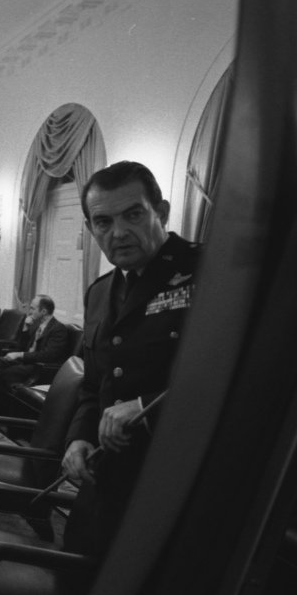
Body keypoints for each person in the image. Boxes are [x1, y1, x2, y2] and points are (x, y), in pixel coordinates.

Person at [60, 161, 201, 557]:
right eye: (103, 222)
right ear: (91, 230)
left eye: (133, 214)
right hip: (108, 482)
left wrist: (144, 408)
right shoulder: (100, 293)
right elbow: (94, 385)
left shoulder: (207, 272)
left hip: (177, 484)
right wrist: (79, 438)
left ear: (162, 211)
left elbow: (239, 376)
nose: (118, 232)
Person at [0, 295, 71, 412]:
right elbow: (21, 347)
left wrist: (21, 355)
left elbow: (47, 356)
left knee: (1, 372)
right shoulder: (36, 325)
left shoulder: (58, 329)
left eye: (33, 308)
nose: (29, 311)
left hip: (39, 367)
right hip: (26, 362)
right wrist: (25, 328)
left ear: (43, 311)